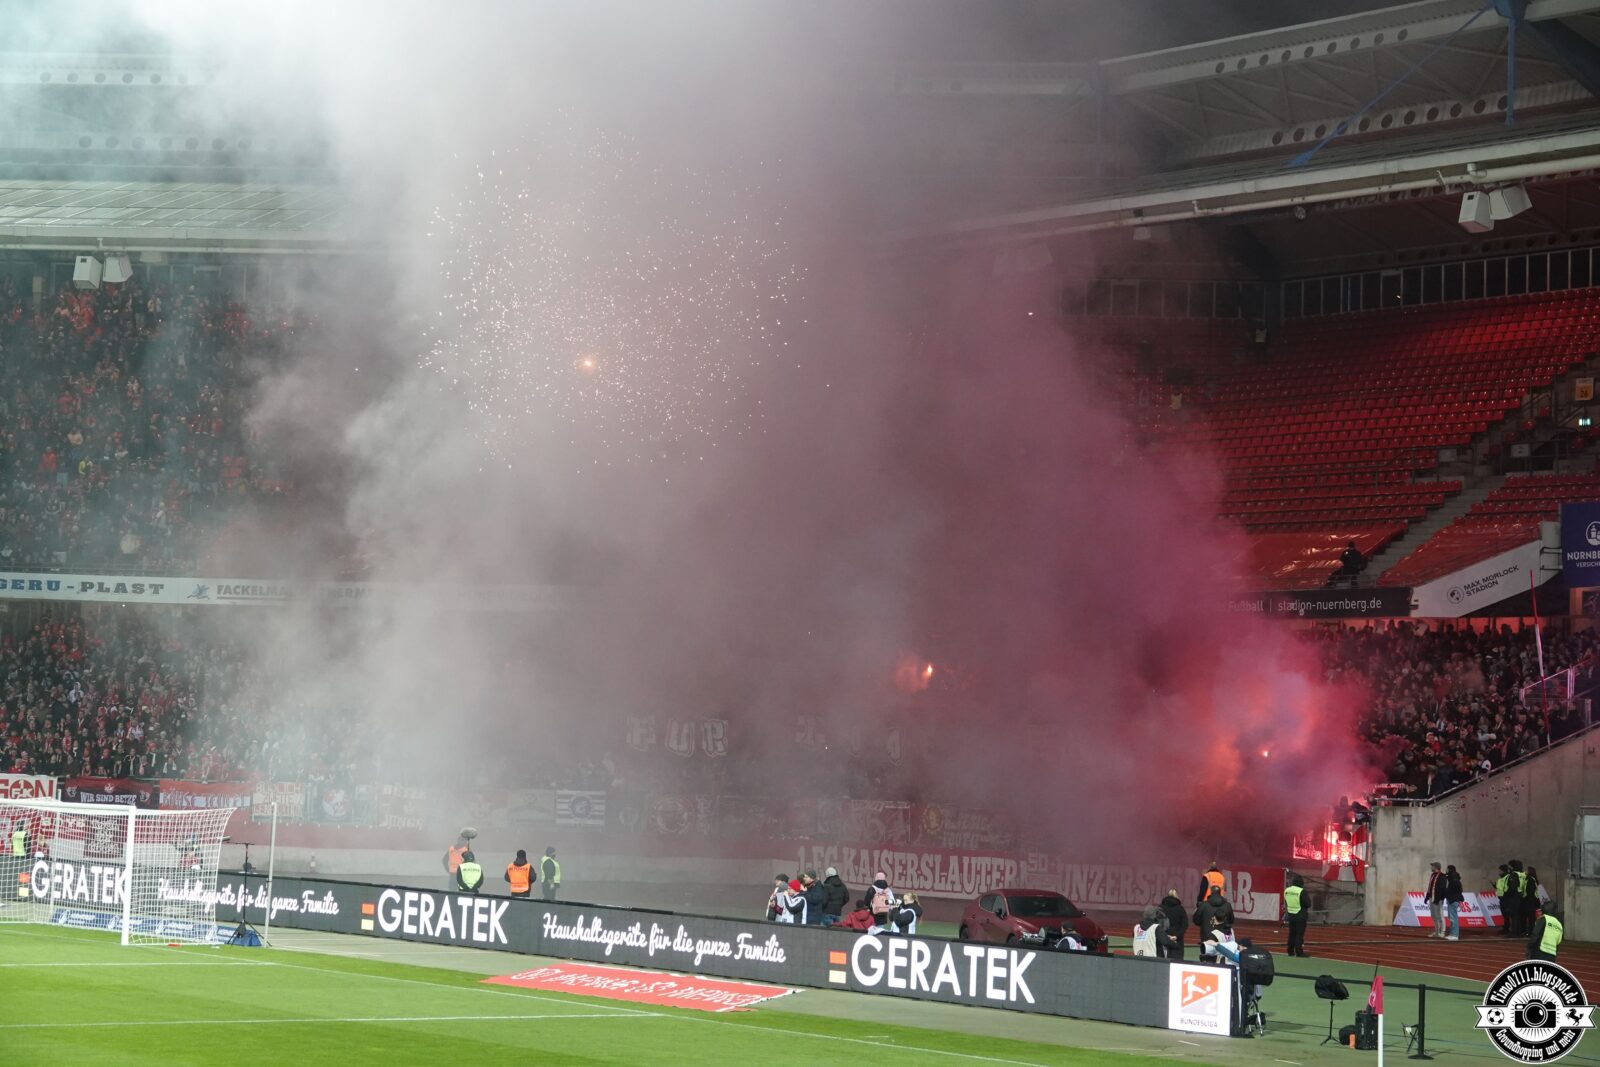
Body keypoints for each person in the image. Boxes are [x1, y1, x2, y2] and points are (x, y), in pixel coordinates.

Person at [1159, 888, 1189, 960]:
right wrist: (1177, 936)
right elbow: (1184, 925)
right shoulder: (1180, 909)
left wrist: (1164, 935)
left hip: (1163, 938)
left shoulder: (1161, 908)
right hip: (1177, 940)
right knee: (1177, 961)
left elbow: (1157, 923)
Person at [1284, 874, 1309, 957]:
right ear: (1301, 883)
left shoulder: (1287, 890)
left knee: (1291, 934)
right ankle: (1299, 952)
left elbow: (1286, 901)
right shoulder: (1301, 891)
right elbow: (1308, 903)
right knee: (1299, 934)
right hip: (1300, 915)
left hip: (1291, 914)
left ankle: (1290, 951)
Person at [1424, 861, 1446, 938]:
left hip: (1438, 899)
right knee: (1433, 916)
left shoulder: (1442, 876)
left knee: (1440, 915)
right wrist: (1427, 897)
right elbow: (1430, 887)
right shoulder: (1432, 875)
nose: (1431, 867)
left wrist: (1439, 898)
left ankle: (1442, 932)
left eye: (1432, 866)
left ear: (1436, 867)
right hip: (1432, 898)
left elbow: (1442, 889)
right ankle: (1436, 931)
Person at [1444, 864, 1464, 941]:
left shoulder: (1454, 880)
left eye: (1447, 869)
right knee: (1451, 918)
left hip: (1453, 900)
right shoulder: (1452, 879)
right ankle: (1452, 933)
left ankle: (1455, 935)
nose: (1446, 870)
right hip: (1451, 899)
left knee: (1453, 918)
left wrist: (1448, 893)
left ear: (1450, 870)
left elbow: (1456, 890)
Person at [1508, 861, 1528, 937]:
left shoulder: (1514, 875)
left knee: (1514, 915)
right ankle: (1520, 931)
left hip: (1515, 896)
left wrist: (1508, 895)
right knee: (1519, 915)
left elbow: (1513, 887)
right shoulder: (1523, 874)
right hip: (1522, 896)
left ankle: (1514, 932)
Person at [1523, 865, 1543, 940]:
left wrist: (1526, 897)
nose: (1525, 872)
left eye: (1527, 870)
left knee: (1531, 918)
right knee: (1532, 918)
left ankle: (1531, 932)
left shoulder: (1530, 880)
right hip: (1533, 900)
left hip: (1531, 901)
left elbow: (1530, 891)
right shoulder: (1533, 879)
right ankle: (1531, 932)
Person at [1495, 864, 1515, 938]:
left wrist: (1505, 895)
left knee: (1509, 915)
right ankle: (1506, 928)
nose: (1498, 872)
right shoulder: (1501, 878)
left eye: (1499, 870)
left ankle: (1510, 929)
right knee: (1505, 915)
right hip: (1502, 899)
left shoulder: (1507, 877)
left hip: (1506, 899)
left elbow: (1507, 888)